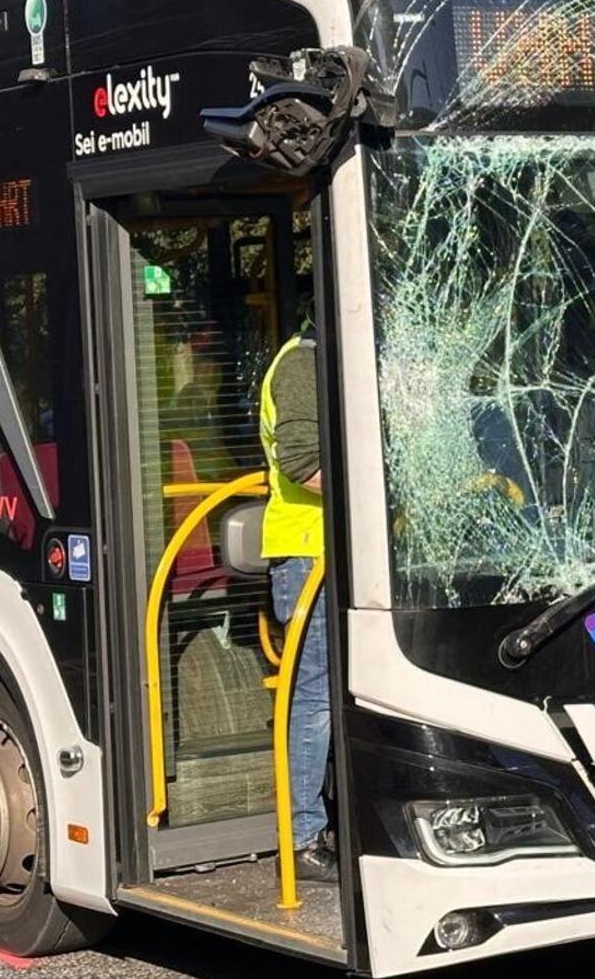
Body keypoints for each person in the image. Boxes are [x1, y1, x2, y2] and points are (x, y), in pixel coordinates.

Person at [259, 325, 335, 882]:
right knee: (314, 697)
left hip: (339, 552)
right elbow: (303, 463)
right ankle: (304, 835)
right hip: (309, 552)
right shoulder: (301, 364)